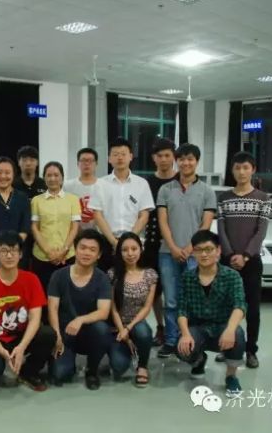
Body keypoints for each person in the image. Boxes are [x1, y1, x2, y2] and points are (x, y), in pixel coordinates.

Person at [0, 231, 56, 391]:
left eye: (14, 250)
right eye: (4, 251)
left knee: (47, 334)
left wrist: (22, 347)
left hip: (21, 336)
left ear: (21, 254)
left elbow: (35, 318)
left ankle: (28, 372)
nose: (9, 255)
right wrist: (1, 351)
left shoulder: (31, 279)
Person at [157, 143, 217, 359]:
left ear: (196, 161)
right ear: (177, 161)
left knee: (192, 299)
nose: (186, 163)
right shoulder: (166, 190)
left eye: (190, 159)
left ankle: (190, 338)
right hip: (168, 253)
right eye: (181, 159)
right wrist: (174, 247)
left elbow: (205, 224)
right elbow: (163, 221)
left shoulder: (207, 191)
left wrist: (190, 247)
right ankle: (171, 340)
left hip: (196, 255)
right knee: (171, 299)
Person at [176, 230, 247, 398]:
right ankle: (199, 360)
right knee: (181, 348)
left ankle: (231, 376)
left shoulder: (232, 276)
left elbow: (240, 305)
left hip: (223, 326)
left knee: (237, 334)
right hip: (198, 328)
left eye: (209, 249)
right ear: (193, 253)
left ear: (218, 250)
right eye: (199, 250)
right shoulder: (187, 277)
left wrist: (230, 330)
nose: (204, 254)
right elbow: (182, 309)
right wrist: (185, 334)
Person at [216, 151, 270, 369]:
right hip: (227, 262)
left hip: (252, 261)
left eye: (246, 167)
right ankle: (227, 346)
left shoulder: (263, 198)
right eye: (237, 168)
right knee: (226, 307)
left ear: (253, 170)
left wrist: (246, 255)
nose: (241, 172)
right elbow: (221, 230)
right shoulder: (224, 198)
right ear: (232, 170)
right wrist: (230, 255)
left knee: (252, 309)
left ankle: (250, 350)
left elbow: (261, 231)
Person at [48, 229, 112, 390]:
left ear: (98, 255)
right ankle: (64, 360)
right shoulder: (58, 276)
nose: (86, 253)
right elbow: (52, 308)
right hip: (65, 334)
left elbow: (103, 312)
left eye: (92, 249)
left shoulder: (102, 278)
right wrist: (56, 336)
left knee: (102, 329)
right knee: (60, 374)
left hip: (89, 332)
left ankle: (92, 370)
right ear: (75, 249)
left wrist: (80, 319)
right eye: (82, 248)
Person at [91, 138, 154, 270]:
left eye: (123, 154)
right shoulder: (100, 184)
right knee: (106, 278)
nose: (120, 158)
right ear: (109, 159)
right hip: (107, 242)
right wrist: (114, 242)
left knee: (132, 278)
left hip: (134, 243)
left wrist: (129, 239)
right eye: (115, 154)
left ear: (131, 156)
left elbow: (144, 215)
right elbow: (97, 215)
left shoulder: (141, 183)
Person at [108, 232, 157, 388]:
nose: (130, 254)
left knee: (144, 332)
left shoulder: (150, 275)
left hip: (136, 323)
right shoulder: (113, 274)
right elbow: (113, 308)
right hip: (117, 326)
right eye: (125, 250)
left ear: (140, 249)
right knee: (118, 367)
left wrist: (128, 328)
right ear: (119, 252)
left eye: (134, 249)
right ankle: (128, 349)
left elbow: (147, 307)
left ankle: (142, 366)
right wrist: (123, 332)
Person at [142, 138, 177, 347]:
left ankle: (177, 330)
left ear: (173, 157)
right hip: (152, 244)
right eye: (159, 156)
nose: (163, 159)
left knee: (175, 291)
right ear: (153, 158)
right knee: (154, 290)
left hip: (176, 244)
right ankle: (161, 327)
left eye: (167, 155)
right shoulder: (146, 183)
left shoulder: (180, 181)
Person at [31, 161, 81, 291]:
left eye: (56, 175)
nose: (52, 178)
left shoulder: (73, 199)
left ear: (62, 177)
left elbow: (74, 227)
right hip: (42, 257)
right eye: (49, 175)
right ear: (44, 178)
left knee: (66, 293)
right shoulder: (36, 200)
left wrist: (63, 251)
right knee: (43, 293)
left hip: (67, 256)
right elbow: (34, 228)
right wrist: (49, 252)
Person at [64, 148, 106, 230]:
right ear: (78, 163)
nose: (86, 163)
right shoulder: (68, 186)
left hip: (100, 233)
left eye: (90, 161)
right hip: (75, 232)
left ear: (96, 164)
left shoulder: (105, 186)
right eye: (83, 160)